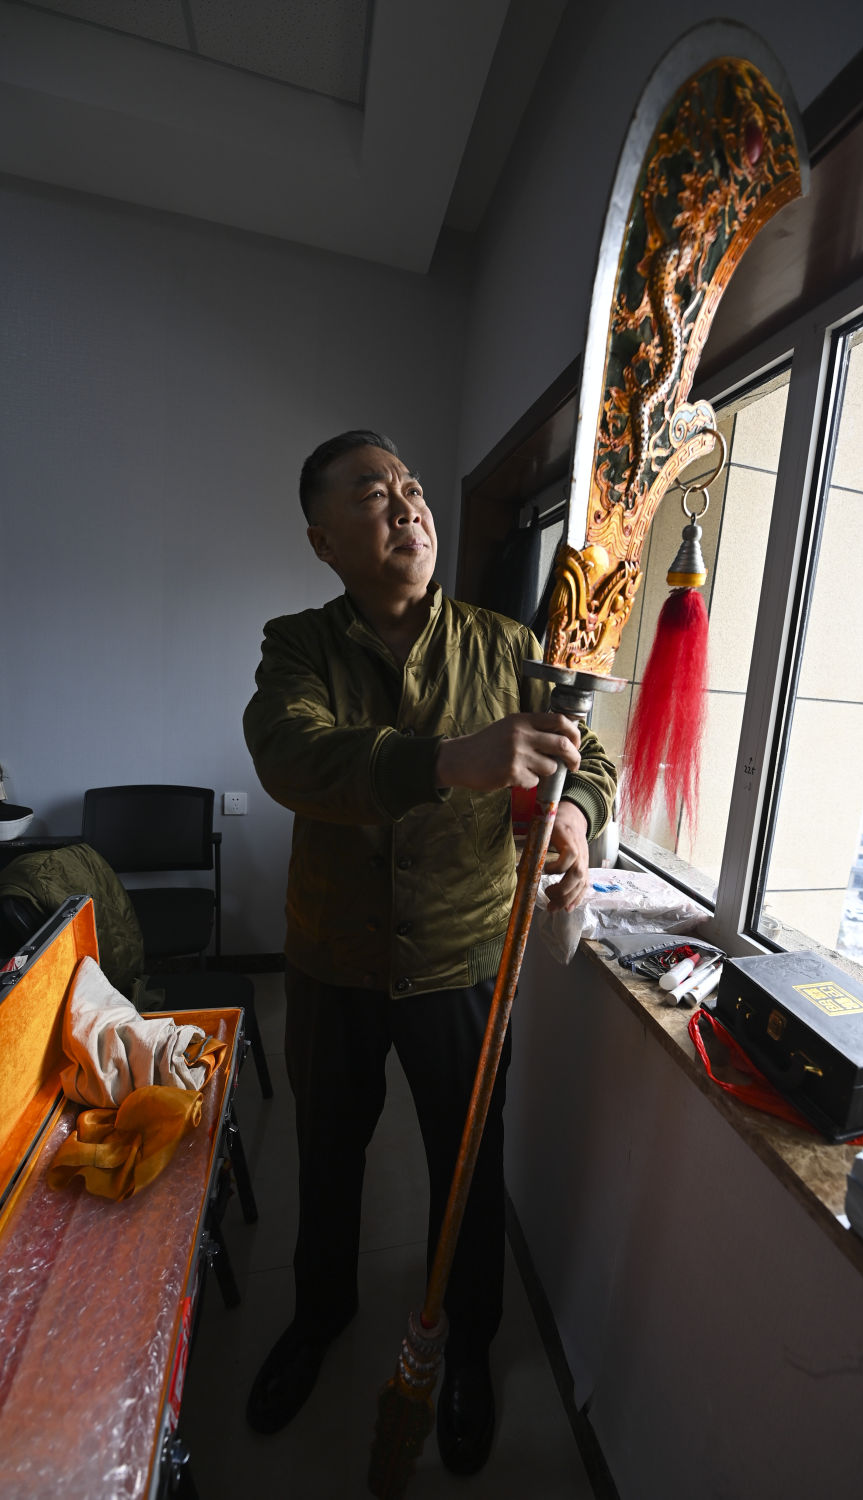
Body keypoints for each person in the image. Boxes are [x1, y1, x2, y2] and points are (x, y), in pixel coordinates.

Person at [242, 429, 616, 1474]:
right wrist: (449, 760)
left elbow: (591, 759)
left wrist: (575, 815)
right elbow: (289, 753)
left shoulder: (508, 647)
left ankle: (467, 1349)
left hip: (461, 959)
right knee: (327, 1154)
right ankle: (319, 1316)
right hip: (334, 958)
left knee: (469, 1164)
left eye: (410, 486)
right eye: (372, 492)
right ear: (323, 540)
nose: (405, 503)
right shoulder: (297, 646)